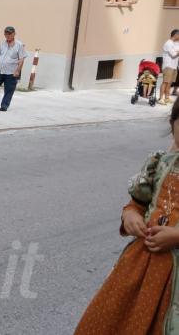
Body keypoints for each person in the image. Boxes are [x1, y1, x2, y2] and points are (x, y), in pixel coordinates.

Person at [75, 101, 179, 334]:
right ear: (172, 124)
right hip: (138, 270)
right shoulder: (160, 164)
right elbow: (138, 203)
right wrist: (131, 215)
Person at [0, 26, 27, 112]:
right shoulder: (1, 44)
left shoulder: (19, 45)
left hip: (11, 72)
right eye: (6, 33)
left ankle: (4, 105)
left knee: (9, 89)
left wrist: (18, 70)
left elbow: (21, 59)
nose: (8, 35)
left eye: (10, 33)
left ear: (14, 34)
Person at [160, 29, 179, 105]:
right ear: (176, 35)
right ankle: (161, 98)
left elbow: (176, 52)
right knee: (165, 82)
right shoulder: (168, 43)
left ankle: (167, 98)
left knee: (170, 83)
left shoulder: (174, 43)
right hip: (168, 65)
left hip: (174, 66)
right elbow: (173, 55)